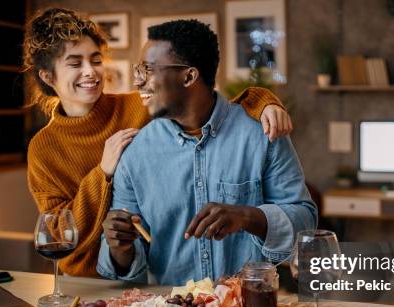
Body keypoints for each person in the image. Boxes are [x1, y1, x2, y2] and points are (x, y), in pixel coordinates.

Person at [24, 8, 294, 277]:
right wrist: (102, 173)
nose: (90, 72)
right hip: (86, 279)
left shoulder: (139, 105)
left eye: (95, 60)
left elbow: (205, 101)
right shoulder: (43, 148)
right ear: (48, 76)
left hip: (144, 274)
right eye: (75, 63)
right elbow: (57, 233)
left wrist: (263, 100)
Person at [98, 19, 317, 285]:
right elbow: (128, 266)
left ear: (189, 76)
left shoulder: (262, 134)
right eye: (137, 69)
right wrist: (119, 247)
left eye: (148, 69)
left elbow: (305, 224)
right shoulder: (134, 154)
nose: (137, 80)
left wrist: (247, 216)